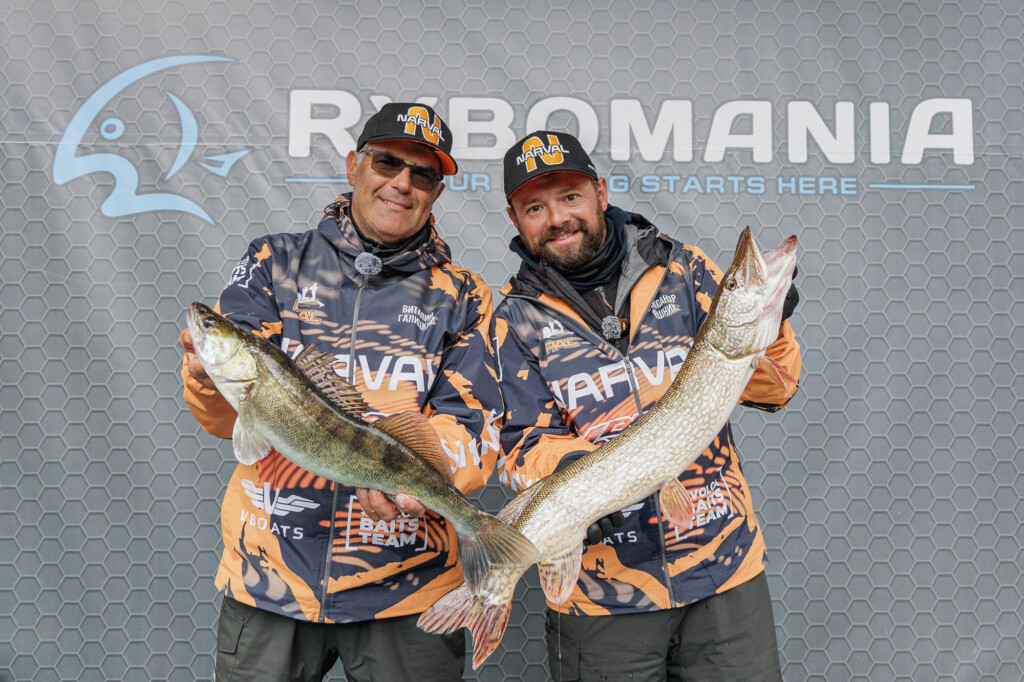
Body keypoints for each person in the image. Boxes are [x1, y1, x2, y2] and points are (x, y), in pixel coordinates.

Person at [178, 103, 503, 681]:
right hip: (270, 577)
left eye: (422, 174)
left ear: (437, 192)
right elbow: (227, 421)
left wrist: (420, 480)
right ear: (354, 166)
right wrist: (204, 380)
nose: (401, 183)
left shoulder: (465, 296)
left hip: (410, 590)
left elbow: (471, 424)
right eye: (387, 163)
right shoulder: (272, 262)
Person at [493, 130, 802, 681]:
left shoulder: (685, 271)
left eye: (570, 196)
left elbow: (775, 389)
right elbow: (521, 445)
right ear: (515, 219)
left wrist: (771, 327)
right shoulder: (513, 322)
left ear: (601, 193)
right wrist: (574, 473)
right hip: (603, 598)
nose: (558, 218)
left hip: (724, 573)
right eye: (535, 207)